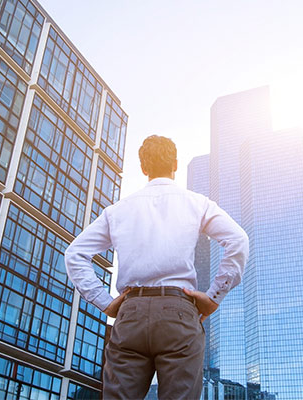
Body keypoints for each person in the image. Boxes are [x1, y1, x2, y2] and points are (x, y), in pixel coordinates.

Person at [65, 135, 248, 399]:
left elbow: (75, 254)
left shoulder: (117, 211)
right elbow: (238, 240)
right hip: (179, 313)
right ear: (175, 164)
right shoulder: (197, 203)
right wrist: (213, 297)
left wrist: (105, 302)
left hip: (131, 314)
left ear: (144, 168)